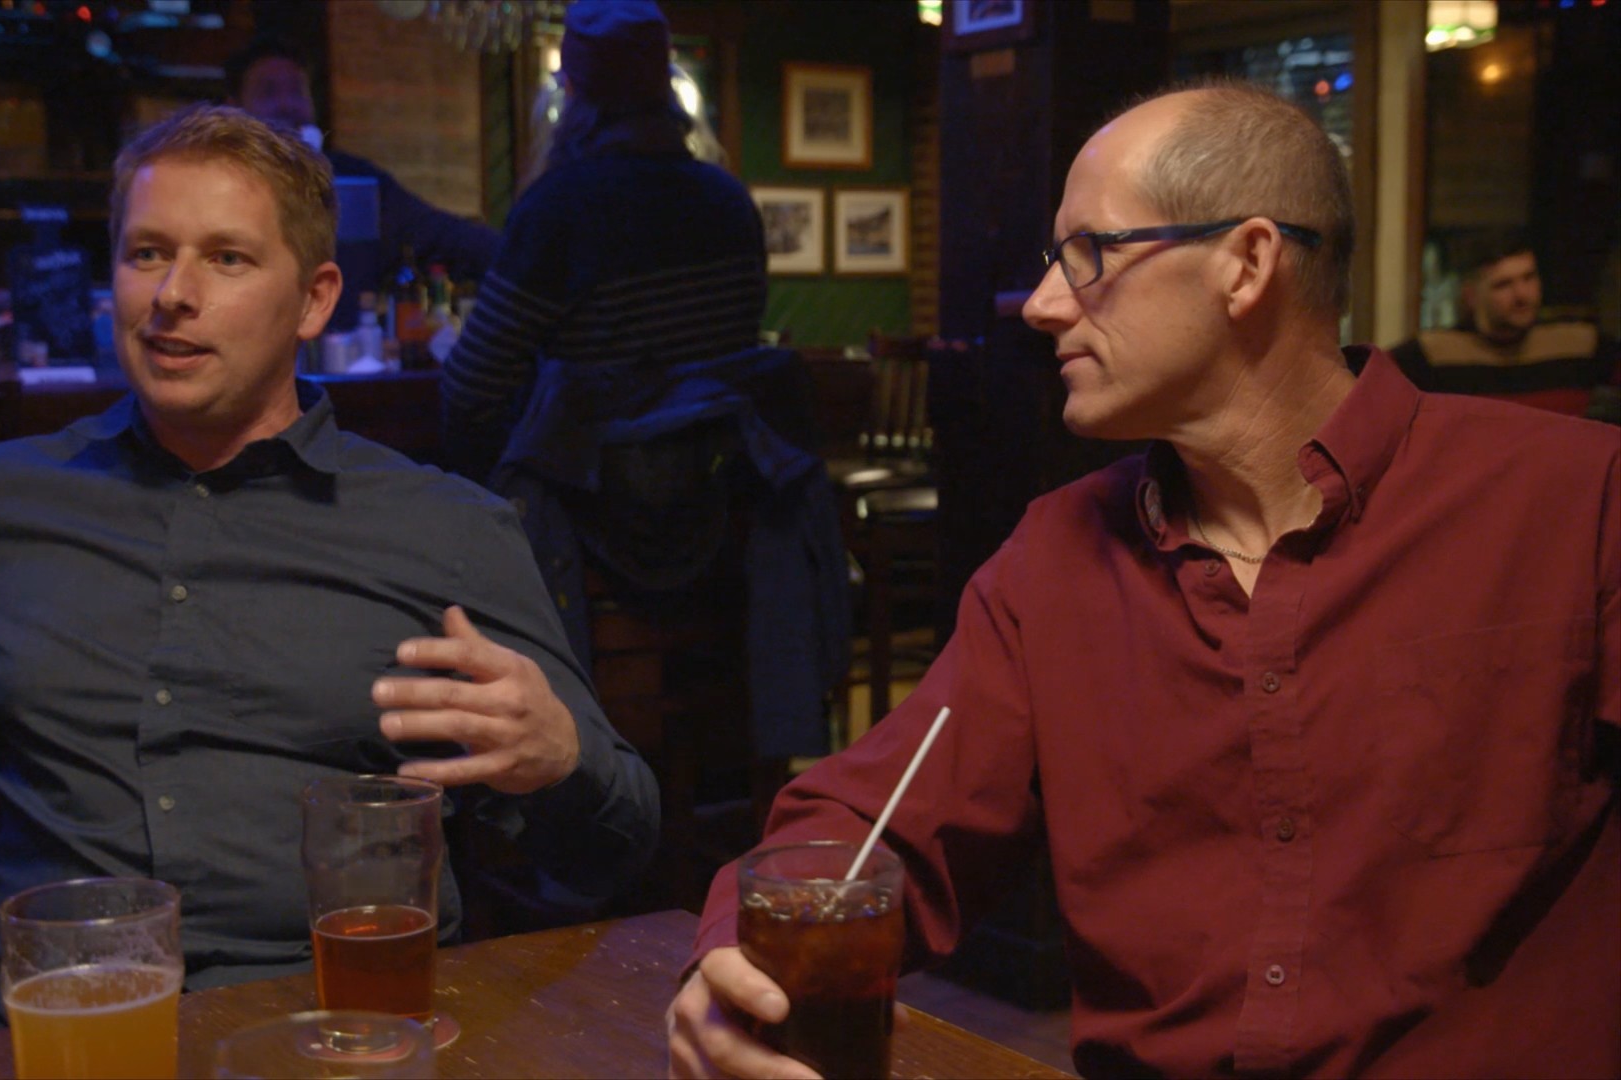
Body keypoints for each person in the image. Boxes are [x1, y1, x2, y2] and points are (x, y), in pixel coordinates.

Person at [668, 80, 1619, 1079]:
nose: (1040, 306)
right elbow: (868, 827)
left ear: (1246, 264)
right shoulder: (1055, 563)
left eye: (1088, 257)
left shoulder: (1572, 502)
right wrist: (735, 954)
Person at [0, 105, 657, 1026]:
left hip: (347, 1014)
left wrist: (560, 760)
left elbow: (617, 836)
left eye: (227, 259)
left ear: (314, 299)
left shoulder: (446, 528)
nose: (172, 296)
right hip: (67, 1016)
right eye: (146, 253)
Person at [439, 0, 768, 483]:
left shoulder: (559, 208)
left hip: (591, 519)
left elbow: (469, 388)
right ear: (668, 88)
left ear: (572, 91)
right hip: (721, 506)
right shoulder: (731, 204)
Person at [226, 36, 501, 330]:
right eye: (268, 92)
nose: (287, 105)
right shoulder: (220, 189)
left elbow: (442, 236)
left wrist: (528, 256)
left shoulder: (351, 178)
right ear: (234, 107)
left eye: (297, 91)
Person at [1366, 229, 1621, 421]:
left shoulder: (1579, 342)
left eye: (1529, 278)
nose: (1522, 294)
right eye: (1503, 285)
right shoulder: (1434, 353)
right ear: (1471, 296)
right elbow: (1360, 394)